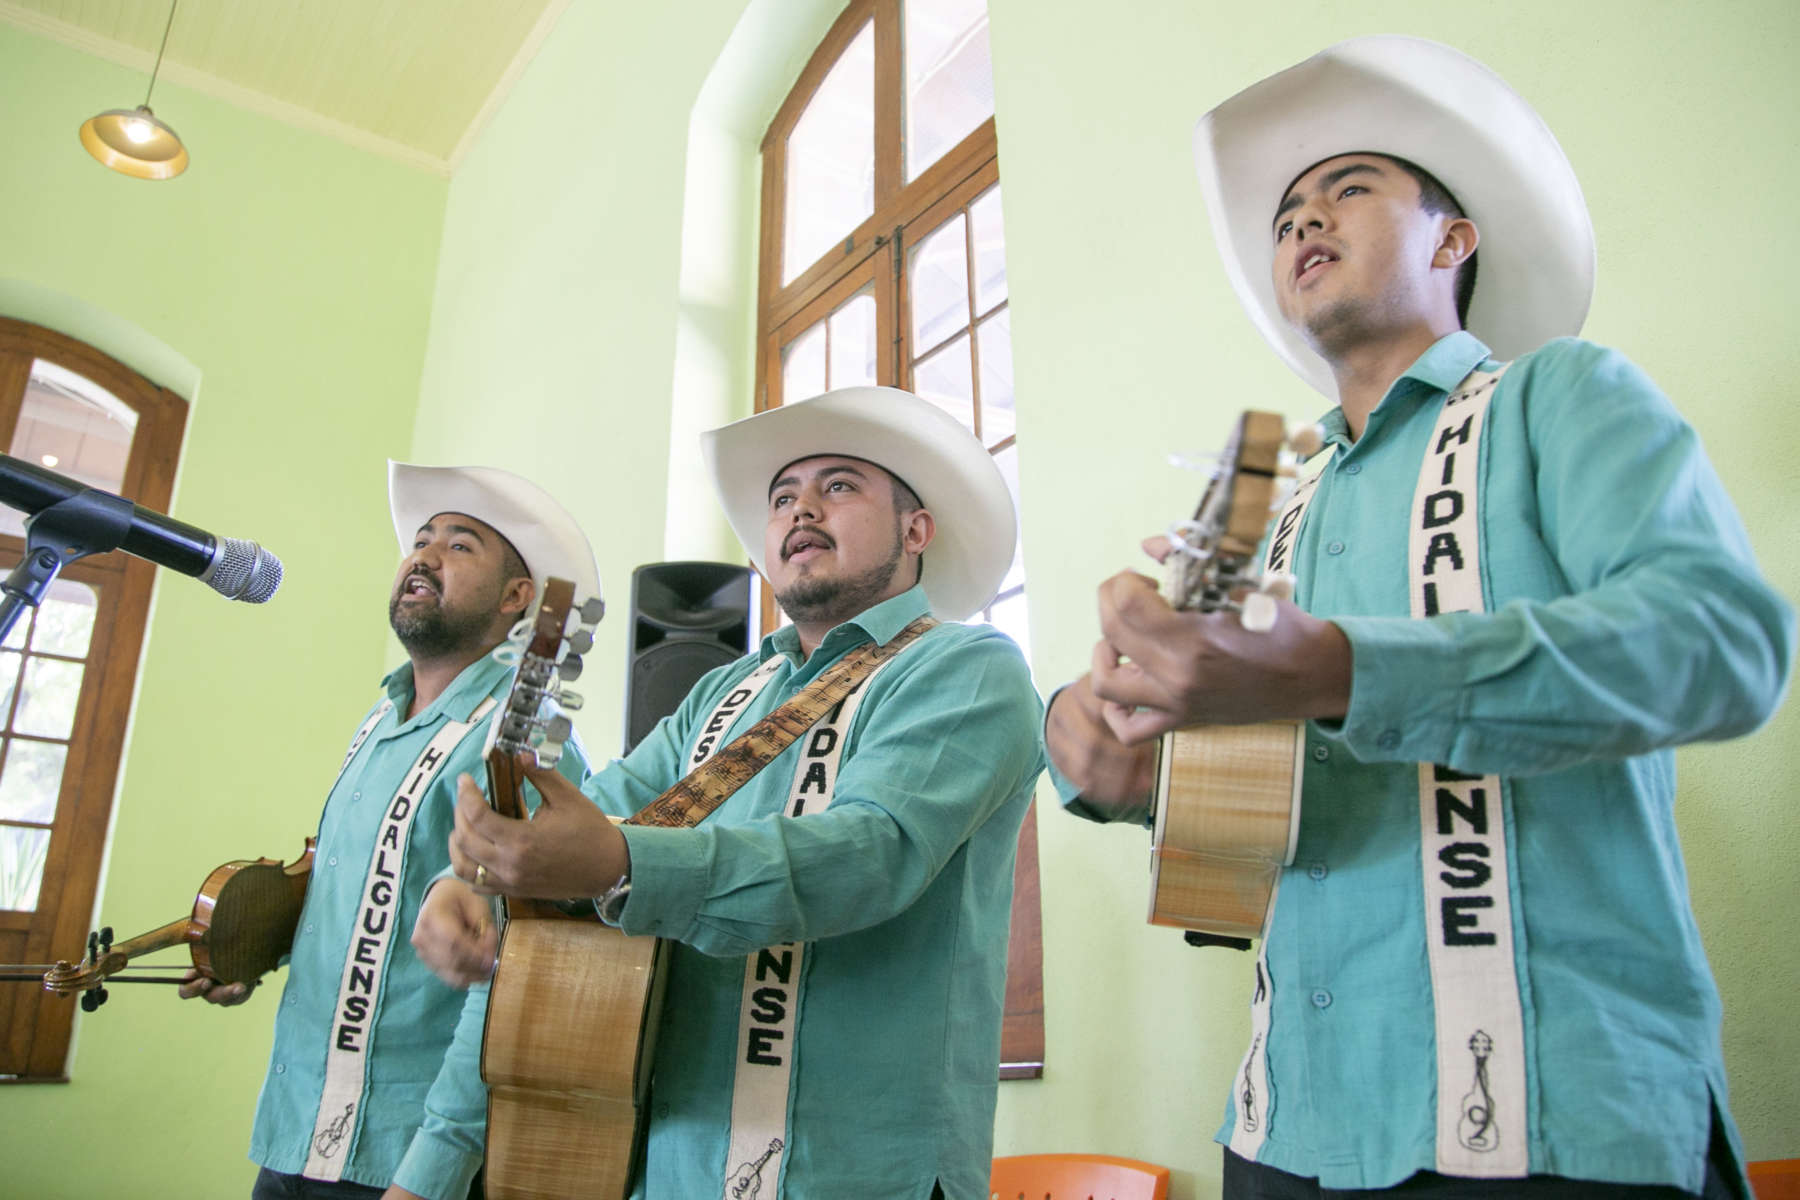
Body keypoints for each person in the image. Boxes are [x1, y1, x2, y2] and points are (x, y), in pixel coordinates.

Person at [1045, 36, 1793, 1200]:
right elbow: (1230, 810)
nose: (1303, 220)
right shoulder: (1259, 509)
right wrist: (1105, 754)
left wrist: (1336, 670)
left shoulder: (1564, 393)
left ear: (1455, 239)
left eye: (1349, 188)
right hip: (1285, 1124)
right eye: (1288, 210)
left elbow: (1725, 647)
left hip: (1557, 1118)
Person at [410, 386, 1045, 1200]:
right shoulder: (723, 693)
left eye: (840, 485)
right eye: (783, 497)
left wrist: (616, 862)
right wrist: (475, 874)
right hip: (671, 1168)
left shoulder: (967, 667)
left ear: (917, 529)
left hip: (859, 1173)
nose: (799, 508)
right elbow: (599, 805)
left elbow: (870, 854)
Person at [182, 462, 599, 1200]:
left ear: (517, 597)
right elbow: (356, 896)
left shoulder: (529, 738)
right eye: (422, 540)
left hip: (409, 1166)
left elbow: (526, 970)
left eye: (460, 546)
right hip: (292, 1134)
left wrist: (430, 1175)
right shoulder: (378, 719)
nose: (424, 556)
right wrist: (251, 949)